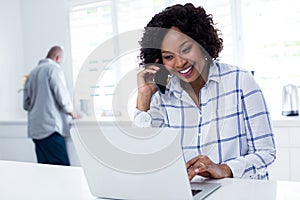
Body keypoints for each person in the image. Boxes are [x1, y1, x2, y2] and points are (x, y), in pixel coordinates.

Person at [135, 3, 276, 180]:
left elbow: (266, 152)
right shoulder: (162, 97)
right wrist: (143, 97)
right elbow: (147, 157)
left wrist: (225, 169)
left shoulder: (240, 81)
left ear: (202, 43)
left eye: (186, 49)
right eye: (169, 57)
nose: (180, 63)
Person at [23, 46, 79, 166]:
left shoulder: (32, 73)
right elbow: (62, 96)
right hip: (50, 129)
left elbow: (26, 104)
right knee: (63, 170)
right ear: (58, 58)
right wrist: (72, 113)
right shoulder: (53, 69)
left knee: (45, 172)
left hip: (36, 131)